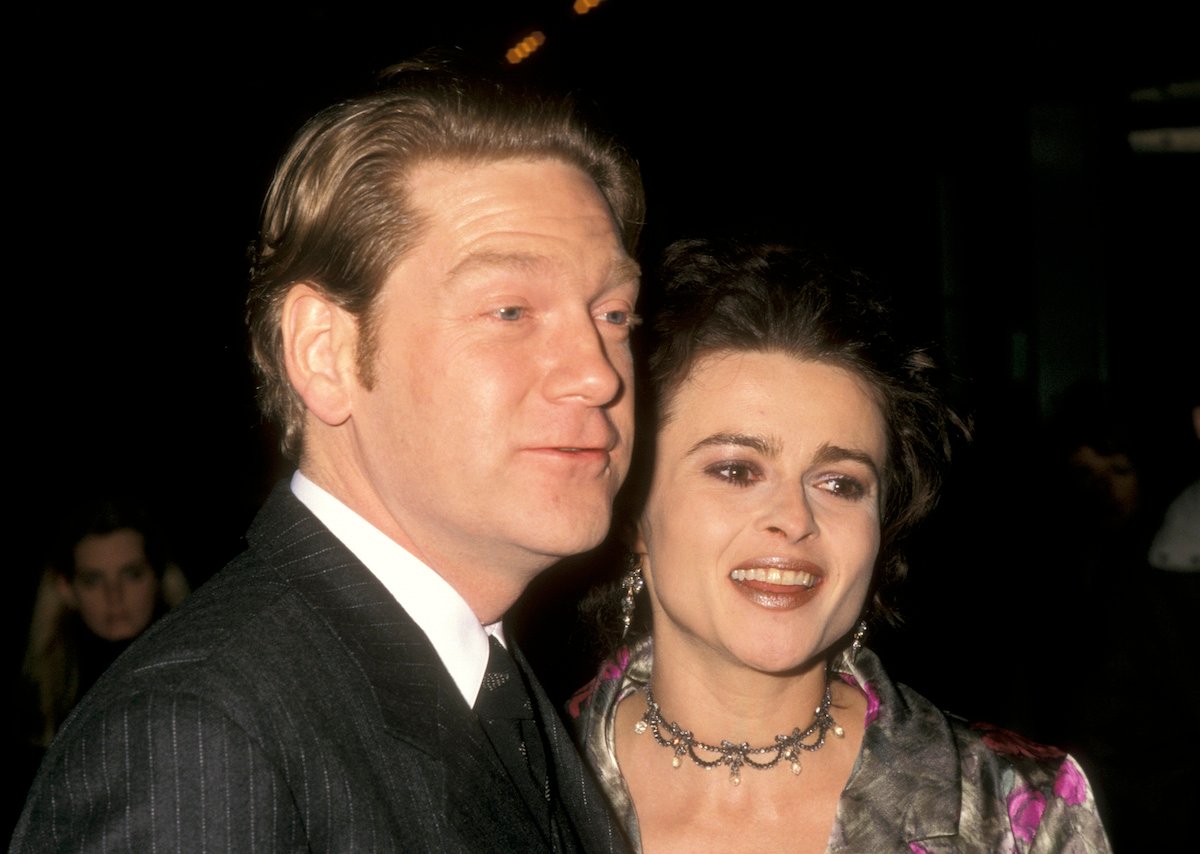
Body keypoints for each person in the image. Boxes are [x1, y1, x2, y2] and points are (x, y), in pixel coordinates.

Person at [13, 58, 643, 853]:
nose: (597, 372)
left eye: (615, 312)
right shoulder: (200, 740)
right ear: (325, 354)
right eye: (511, 309)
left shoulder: (490, 682)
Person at [569, 238, 1111, 852]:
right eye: (736, 471)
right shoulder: (507, 771)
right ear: (635, 513)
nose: (794, 519)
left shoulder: (1016, 813)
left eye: (840, 483)